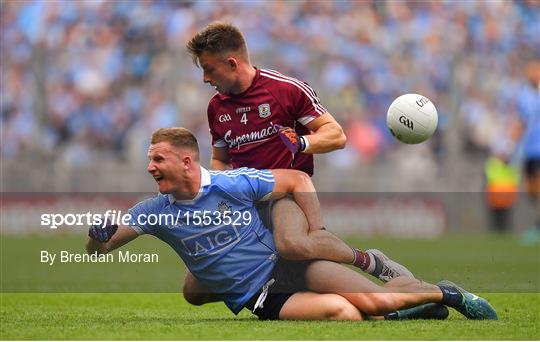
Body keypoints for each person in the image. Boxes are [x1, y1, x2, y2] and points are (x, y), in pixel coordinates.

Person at [86, 127, 498, 321]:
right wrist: (96, 236)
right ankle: (413, 309)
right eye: (149, 159)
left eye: (157, 159)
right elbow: (103, 245)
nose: (150, 166)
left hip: (290, 266)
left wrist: (315, 231)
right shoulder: (152, 211)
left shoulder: (234, 182)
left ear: (186, 161)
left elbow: (296, 179)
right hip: (261, 296)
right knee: (348, 314)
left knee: (375, 300)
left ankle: (449, 294)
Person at [183, 22, 411, 304]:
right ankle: (285, 278)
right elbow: (220, 158)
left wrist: (302, 143)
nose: (205, 78)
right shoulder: (216, 107)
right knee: (194, 290)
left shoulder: (286, 90)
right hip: (245, 201)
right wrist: (221, 192)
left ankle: (369, 261)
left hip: (286, 195)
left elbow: (336, 135)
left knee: (291, 243)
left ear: (232, 63)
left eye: (208, 69)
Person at [508, 60, 540, 244]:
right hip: (529, 150)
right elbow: (521, 122)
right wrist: (510, 144)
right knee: (531, 192)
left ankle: (538, 227)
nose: (531, 73)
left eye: (534, 69)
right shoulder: (524, 95)